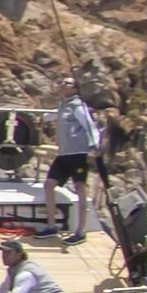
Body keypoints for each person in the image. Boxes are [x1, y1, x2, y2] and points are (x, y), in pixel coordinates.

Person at [49, 76, 99, 244]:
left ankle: (80, 231)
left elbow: (90, 127)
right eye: (62, 82)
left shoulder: (78, 107)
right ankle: (51, 226)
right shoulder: (63, 105)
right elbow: (57, 116)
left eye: (67, 83)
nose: (63, 84)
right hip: (64, 153)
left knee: (80, 188)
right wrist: (43, 119)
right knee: (49, 184)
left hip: (78, 153)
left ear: (75, 89)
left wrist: (93, 147)